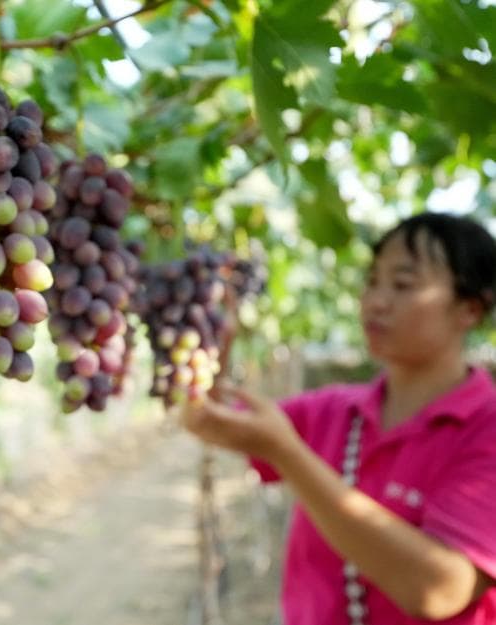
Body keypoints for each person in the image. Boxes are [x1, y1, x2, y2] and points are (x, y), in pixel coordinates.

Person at [182, 212, 496, 624]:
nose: (376, 301)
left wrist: (288, 454)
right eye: (372, 282)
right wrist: (210, 342)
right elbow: (210, 420)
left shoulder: (484, 429)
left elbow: (438, 590)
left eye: (402, 284)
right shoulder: (333, 411)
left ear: (469, 310)